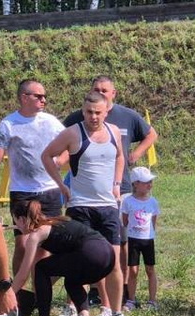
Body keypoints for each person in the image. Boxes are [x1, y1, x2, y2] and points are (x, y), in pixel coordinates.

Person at [42, 91, 133, 316]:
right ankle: (81, 312)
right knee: (80, 260)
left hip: (107, 206)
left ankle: (116, 313)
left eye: (98, 113)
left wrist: (116, 183)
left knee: (113, 261)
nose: (93, 117)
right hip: (80, 206)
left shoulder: (113, 131)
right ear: (83, 112)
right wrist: (61, 185)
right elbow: (47, 155)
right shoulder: (74, 133)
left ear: (106, 112)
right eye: (89, 112)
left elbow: (121, 157)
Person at [64, 76, 158, 299]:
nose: (101, 93)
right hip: (85, 194)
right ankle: (95, 290)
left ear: (113, 93)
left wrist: (135, 153)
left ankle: (122, 287)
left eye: (105, 90)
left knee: (120, 241)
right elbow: (59, 142)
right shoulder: (79, 118)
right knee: (89, 242)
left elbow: (151, 134)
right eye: (97, 89)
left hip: (120, 188)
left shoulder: (127, 116)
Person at [0, 79, 66, 273]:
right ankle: (18, 292)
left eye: (45, 96)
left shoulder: (51, 122)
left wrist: (60, 160)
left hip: (50, 190)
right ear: (24, 97)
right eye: (38, 96)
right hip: (23, 192)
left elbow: (71, 144)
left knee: (46, 245)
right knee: (23, 243)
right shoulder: (9, 124)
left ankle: (39, 290)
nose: (43, 100)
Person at [12, 201, 114, 316]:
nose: (16, 226)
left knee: (41, 267)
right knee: (72, 279)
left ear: (22, 219)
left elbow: (23, 274)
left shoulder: (36, 235)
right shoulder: (53, 222)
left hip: (92, 253)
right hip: (108, 257)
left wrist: (7, 295)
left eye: (16, 221)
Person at [119, 167, 160, 310]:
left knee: (150, 269)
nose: (149, 184)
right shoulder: (128, 201)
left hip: (148, 239)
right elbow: (124, 221)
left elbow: (154, 220)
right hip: (133, 239)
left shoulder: (153, 201)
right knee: (133, 270)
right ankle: (131, 300)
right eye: (145, 182)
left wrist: (149, 233)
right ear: (135, 184)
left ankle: (152, 300)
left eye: (150, 181)